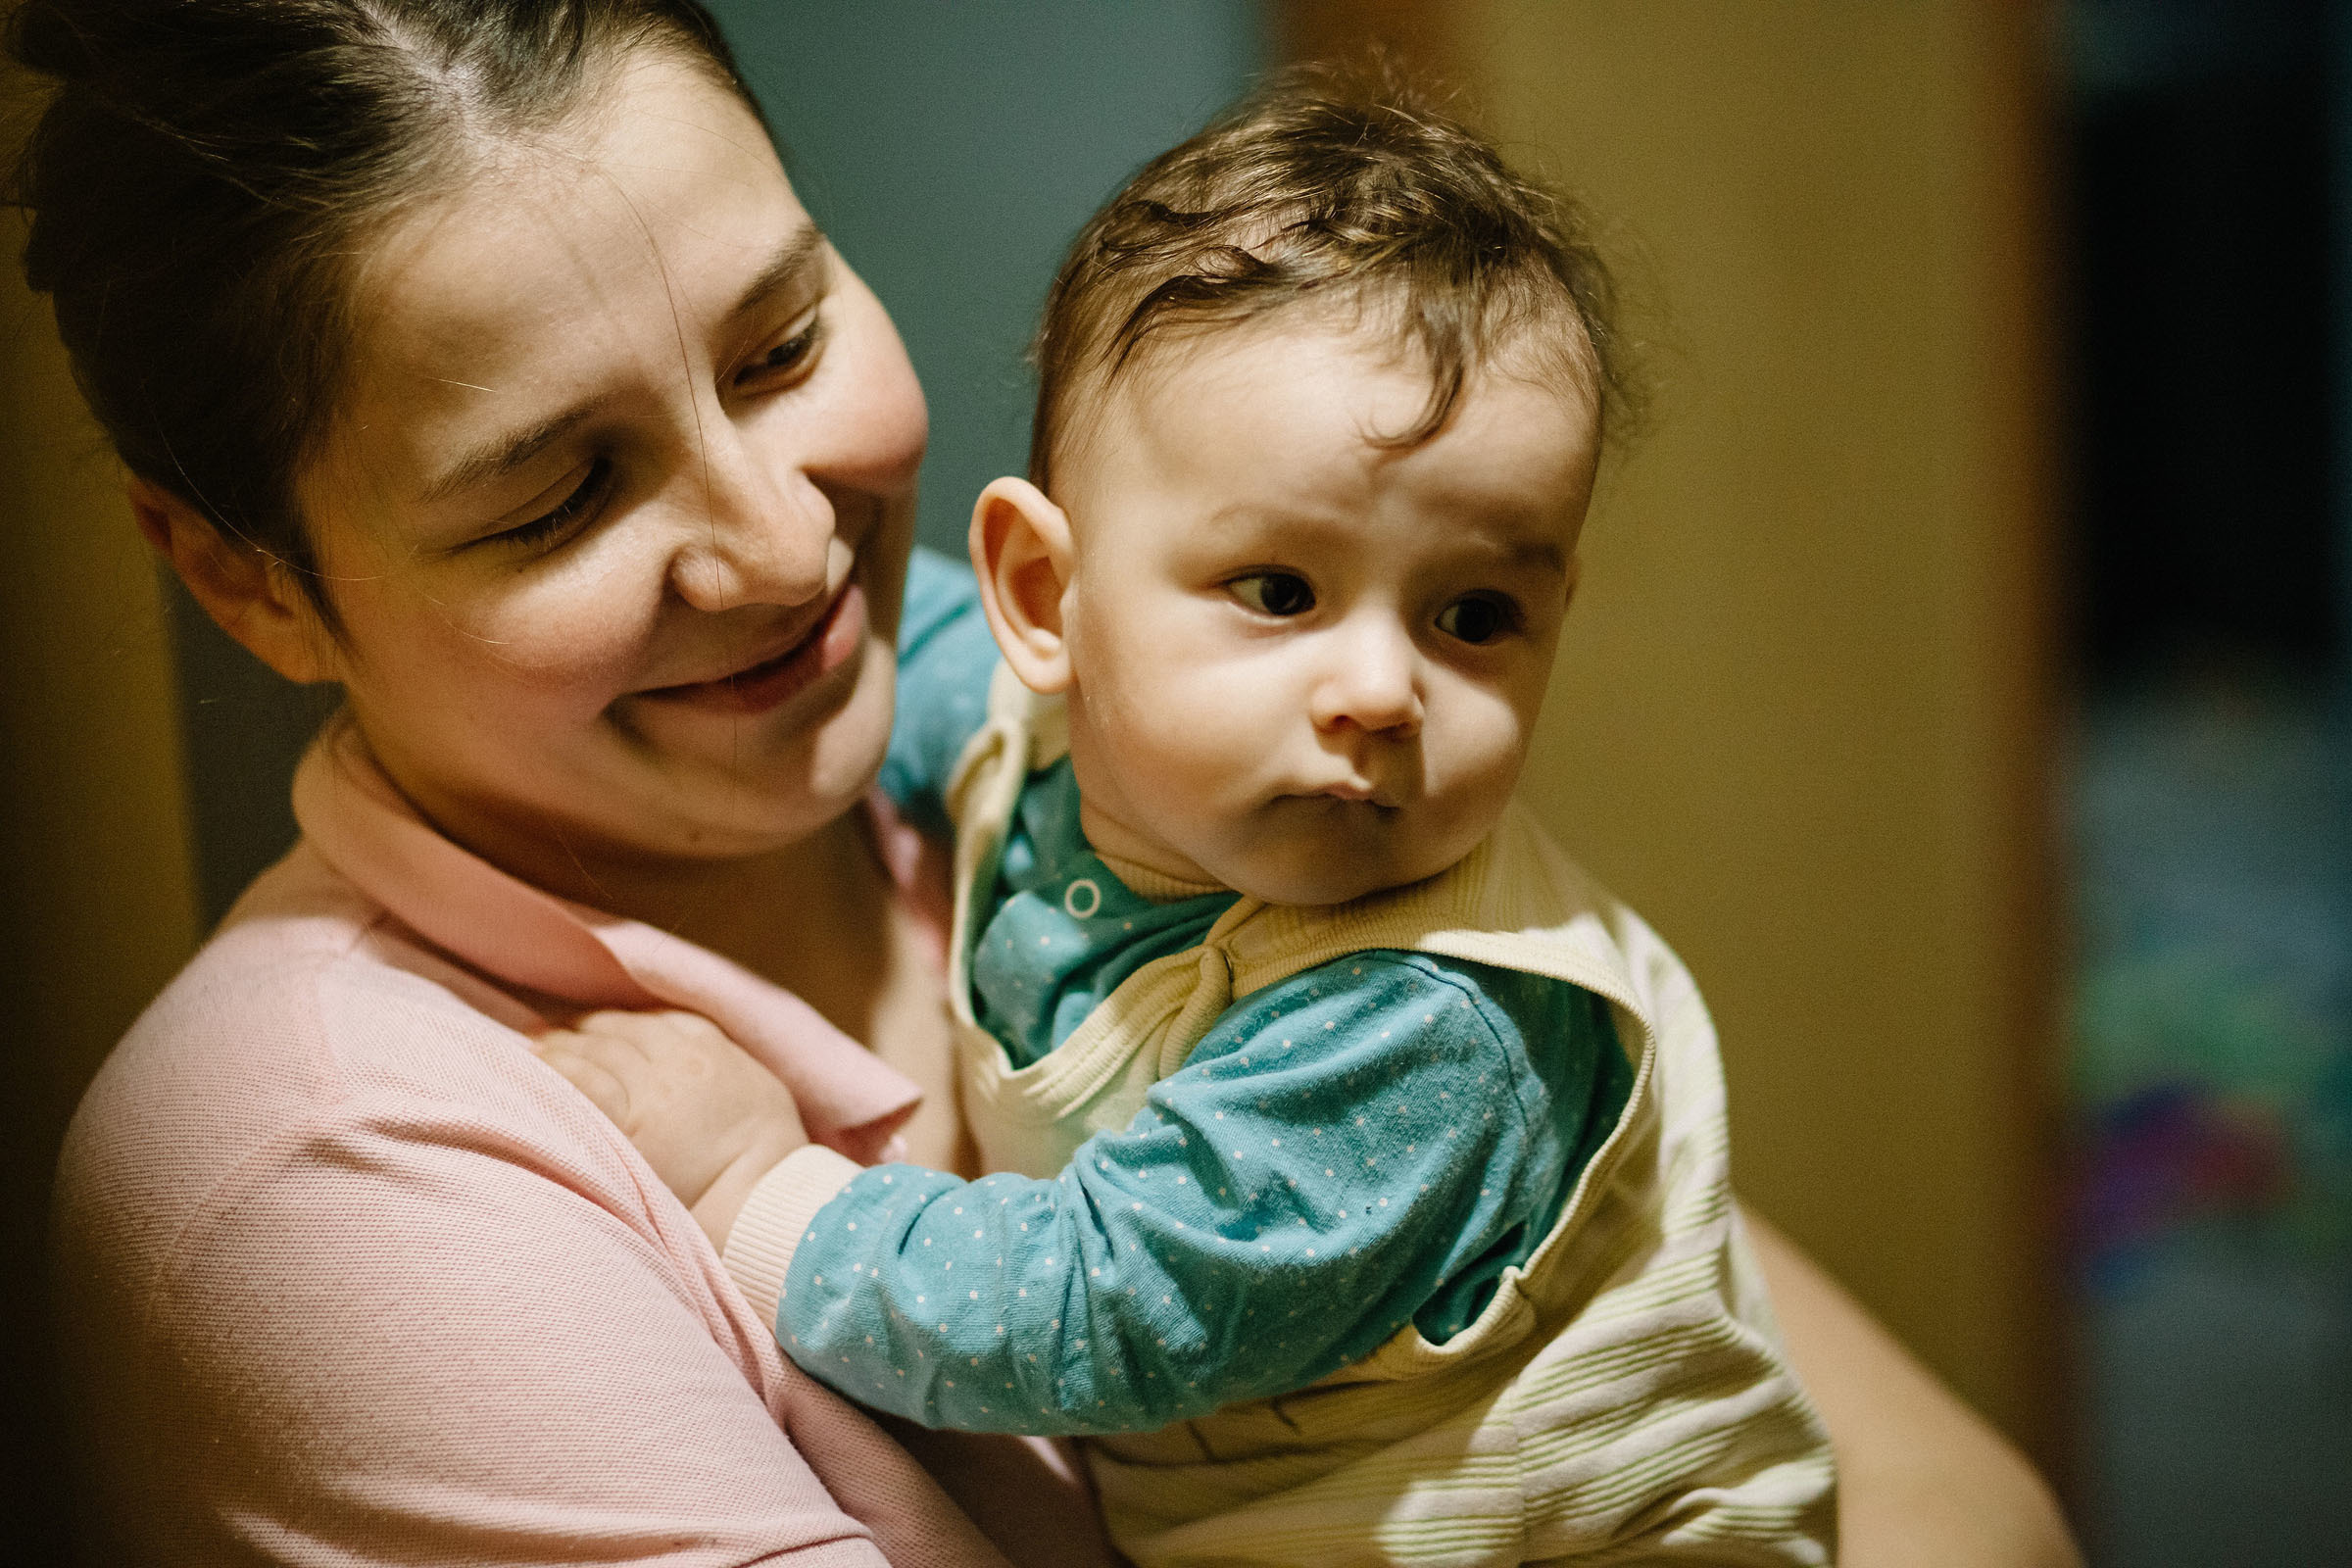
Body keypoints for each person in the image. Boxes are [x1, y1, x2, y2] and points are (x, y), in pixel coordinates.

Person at [8, 0, 2080, 1564]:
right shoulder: (328, 1167)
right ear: (240, 576)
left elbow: (1958, 1498)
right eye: (560, 493)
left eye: (783, 342)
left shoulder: (1146, 767)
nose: (783, 547)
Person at [545, 79, 1836, 1566]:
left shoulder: (1423, 1028)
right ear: (1048, 598)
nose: (1379, 690)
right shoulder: (1019, 709)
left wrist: (751, 1187)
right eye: (1280, 591)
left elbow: (1086, 1310)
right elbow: (863, 689)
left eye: (1473, 615)